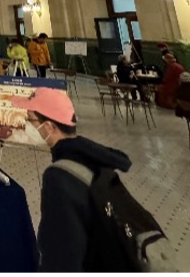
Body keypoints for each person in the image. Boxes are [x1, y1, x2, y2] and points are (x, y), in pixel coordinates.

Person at [9, 87, 132, 271]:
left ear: (49, 126)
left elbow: (63, 253)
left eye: (30, 120)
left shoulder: (59, 176)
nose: (27, 124)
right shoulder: (95, 159)